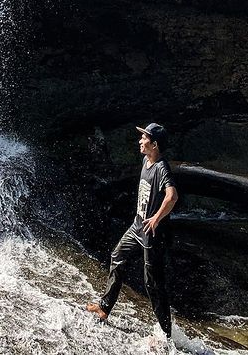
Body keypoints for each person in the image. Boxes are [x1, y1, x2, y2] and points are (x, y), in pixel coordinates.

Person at [87, 122, 178, 339]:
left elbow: (172, 196)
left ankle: (166, 336)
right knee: (117, 256)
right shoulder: (146, 161)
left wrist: (156, 218)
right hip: (137, 226)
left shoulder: (161, 168)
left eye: (144, 138)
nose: (140, 141)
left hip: (152, 233)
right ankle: (104, 307)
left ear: (154, 144)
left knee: (152, 284)